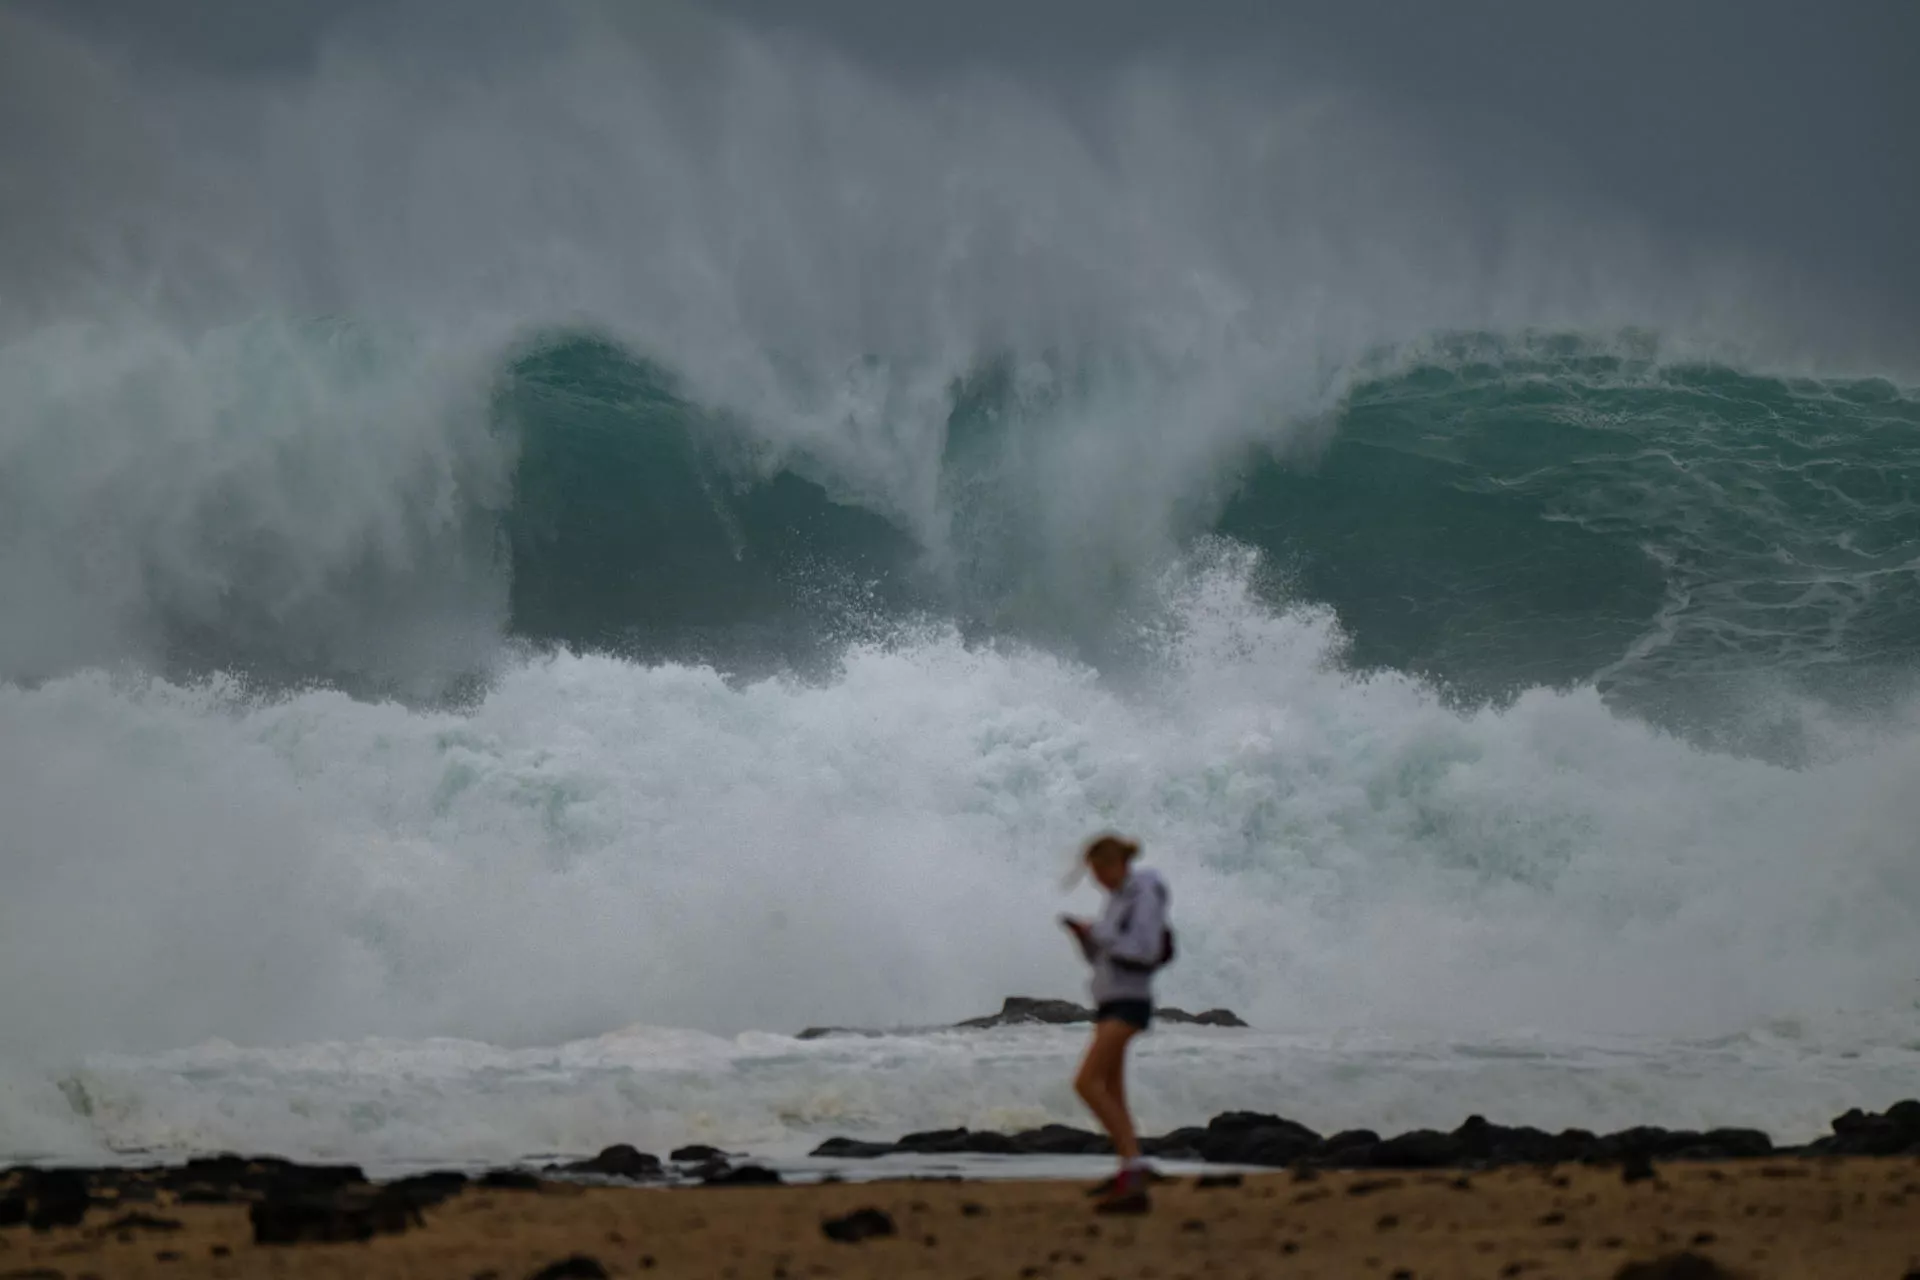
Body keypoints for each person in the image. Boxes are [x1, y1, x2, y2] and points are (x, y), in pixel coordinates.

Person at [1060, 833, 1172, 1214]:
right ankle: (1128, 1169)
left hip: (1130, 1001)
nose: (1096, 880)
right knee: (1112, 1089)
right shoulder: (1119, 898)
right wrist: (1084, 939)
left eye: (1098, 871)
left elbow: (1145, 950)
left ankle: (1135, 1165)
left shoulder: (1143, 893)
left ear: (1115, 864)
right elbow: (1103, 957)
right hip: (1111, 999)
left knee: (1086, 1083)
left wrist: (1100, 934)